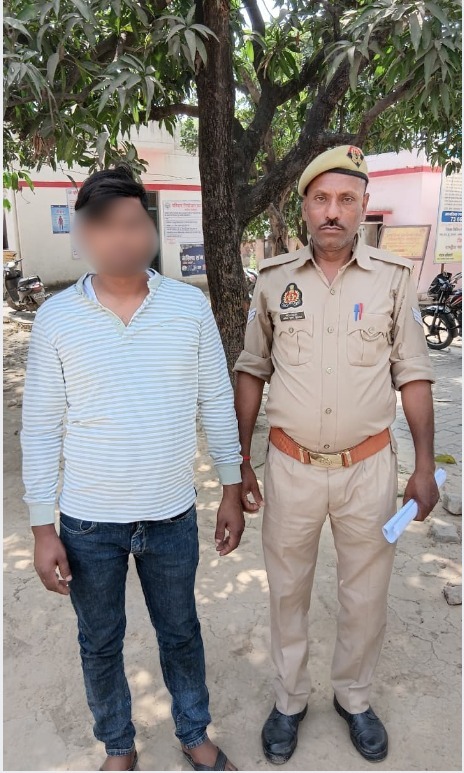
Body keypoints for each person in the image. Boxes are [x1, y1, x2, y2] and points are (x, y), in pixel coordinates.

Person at [22, 165, 244, 772]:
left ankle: (193, 732)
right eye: (102, 225)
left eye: (130, 222)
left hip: (171, 515)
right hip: (88, 524)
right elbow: (40, 426)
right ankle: (118, 746)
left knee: (181, 633)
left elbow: (216, 401)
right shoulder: (57, 318)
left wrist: (230, 488)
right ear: (83, 235)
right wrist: (42, 528)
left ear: (148, 227)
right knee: (99, 642)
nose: (119, 237)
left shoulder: (189, 308)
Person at [234, 146, 439, 765]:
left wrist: (423, 466)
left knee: (366, 593)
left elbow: (413, 374)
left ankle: (353, 697)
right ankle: (289, 700)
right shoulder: (274, 280)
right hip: (290, 467)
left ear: (363, 206)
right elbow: (252, 369)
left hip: (368, 470)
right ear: (303, 207)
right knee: (287, 591)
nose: (333, 211)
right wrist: (240, 462)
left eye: (346, 199)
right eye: (321, 198)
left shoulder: (393, 280)